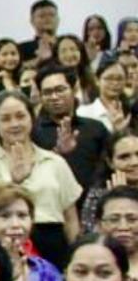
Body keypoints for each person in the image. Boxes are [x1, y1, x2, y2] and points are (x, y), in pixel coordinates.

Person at [0, 89, 83, 270]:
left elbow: (71, 219)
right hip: (4, 243)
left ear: (32, 118)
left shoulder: (54, 161)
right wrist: (14, 182)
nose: (14, 124)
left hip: (53, 245)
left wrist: (76, 258)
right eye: (6, 119)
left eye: (20, 116)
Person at [33, 66, 110, 200]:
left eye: (60, 90)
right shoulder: (33, 132)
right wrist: (58, 152)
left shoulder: (96, 128)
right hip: (50, 201)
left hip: (93, 201)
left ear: (74, 89)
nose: (54, 97)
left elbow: (108, 165)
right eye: (47, 92)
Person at [82, 129, 138, 235]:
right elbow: (91, 235)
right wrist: (114, 198)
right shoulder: (98, 194)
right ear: (110, 162)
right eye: (124, 157)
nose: (135, 162)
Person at [92, 186, 138, 281]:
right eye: (113, 219)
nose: (123, 227)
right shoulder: (87, 265)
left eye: (132, 219)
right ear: (98, 225)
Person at [77, 56, 131, 134]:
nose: (115, 83)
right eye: (109, 78)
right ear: (97, 80)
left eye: (119, 79)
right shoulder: (83, 113)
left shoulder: (131, 112)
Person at [20, 0, 61, 65]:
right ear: (32, 21)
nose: (47, 18)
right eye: (42, 16)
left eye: (52, 15)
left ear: (58, 19)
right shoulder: (22, 49)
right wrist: (38, 60)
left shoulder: (70, 44)